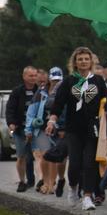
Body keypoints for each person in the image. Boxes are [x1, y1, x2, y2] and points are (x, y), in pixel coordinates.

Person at [46, 47, 107, 210]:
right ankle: (73, 188)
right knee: (74, 164)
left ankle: (87, 196)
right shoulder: (68, 81)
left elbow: (106, 103)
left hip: (92, 129)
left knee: (89, 164)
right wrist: (52, 121)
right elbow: (58, 105)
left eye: (86, 59)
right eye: (80, 59)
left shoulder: (98, 81)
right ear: (75, 62)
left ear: (91, 61)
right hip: (73, 129)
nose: (83, 62)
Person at [25, 67, 64, 195]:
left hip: (58, 127)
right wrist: (29, 128)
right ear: (49, 79)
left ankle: (52, 183)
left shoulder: (65, 91)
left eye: (58, 80)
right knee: (44, 156)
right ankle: (45, 181)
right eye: (54, 80)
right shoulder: (41, 92)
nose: (56, 82)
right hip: (41, 127)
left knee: (53, 156)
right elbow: (31, 111)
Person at [6, 66, 39, 192]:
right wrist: (11, 124)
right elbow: (10, 109)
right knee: (22, 156)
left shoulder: (40, 91)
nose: (33, 78)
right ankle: (22, 181)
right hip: (20, 130)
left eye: (35, 75)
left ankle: (37, 180)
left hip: (36, 130)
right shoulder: (17, 92)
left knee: (36, 155)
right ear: (24, 76)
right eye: (31, 76)